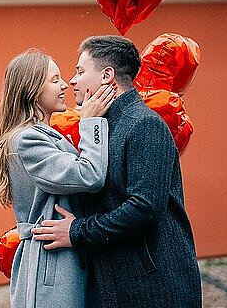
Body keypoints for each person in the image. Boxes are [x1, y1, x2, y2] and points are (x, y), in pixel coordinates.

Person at [32, 35, 202, 307]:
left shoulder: (144, 125)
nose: (72, 81)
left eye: (80, 71)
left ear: (107, 75)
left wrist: (76, 231)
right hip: (120, 286)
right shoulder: (100, 128)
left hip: (154, 289)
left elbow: (144, 209)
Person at [0, 48, 116, 307]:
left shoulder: (46, 134)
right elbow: (88, 175)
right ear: (32, 89)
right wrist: (91, 122)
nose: (64, 85)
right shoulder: (27, 139)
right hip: (52, 265)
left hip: (63, 257)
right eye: (54, 79)